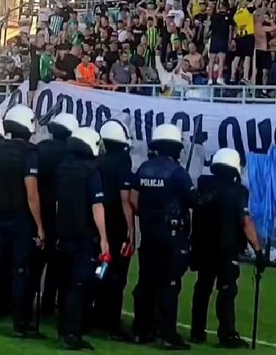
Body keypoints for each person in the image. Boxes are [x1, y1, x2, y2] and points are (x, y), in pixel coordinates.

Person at [0, 105, 44, 337]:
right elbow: (31, 193)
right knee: (20, 272)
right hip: (20, 219)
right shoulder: (29, 153)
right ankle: (19, 324)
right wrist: (40, 226)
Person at [189, 148, 266, 348]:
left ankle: (197, 332)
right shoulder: (238, 191)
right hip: (226, 248)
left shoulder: (204, 185)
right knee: (227, 290)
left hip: (203, 246)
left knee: (202, 288)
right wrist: (257, 249)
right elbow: (245, 222)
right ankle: (227, 334)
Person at [130, 123, 196, 350]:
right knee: (169, 285)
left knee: (146, 283)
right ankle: (167, 334)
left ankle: (141, 330)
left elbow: (134, 200)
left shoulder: (144, 169)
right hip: (172, 236)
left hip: (149, 234)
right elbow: (193, 200)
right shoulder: (178, 173)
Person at [54, 127, 110, 351]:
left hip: (64, 233)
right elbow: (97, 206)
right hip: (84, 236)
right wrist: (104, 238)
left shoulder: (62, 168)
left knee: (65, 285)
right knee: (79, 286)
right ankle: (71, 334)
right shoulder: (91, 171)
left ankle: (63, 329)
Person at [92, 120, 135, 341]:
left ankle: (97, 314)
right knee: (117, 275)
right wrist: (131, 231)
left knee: (102, 268)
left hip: (99, 224)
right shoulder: (123, 161)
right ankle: (112, 323)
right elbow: (125, 199)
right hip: (117, 226)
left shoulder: (99, 161)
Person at [32, 112, 77, 317]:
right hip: (61, 212)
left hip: (38, 208)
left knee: (35, 261)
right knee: (56, 263)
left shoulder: (40, 148)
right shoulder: (71, 153)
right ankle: (50, 303)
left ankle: (27, 302)